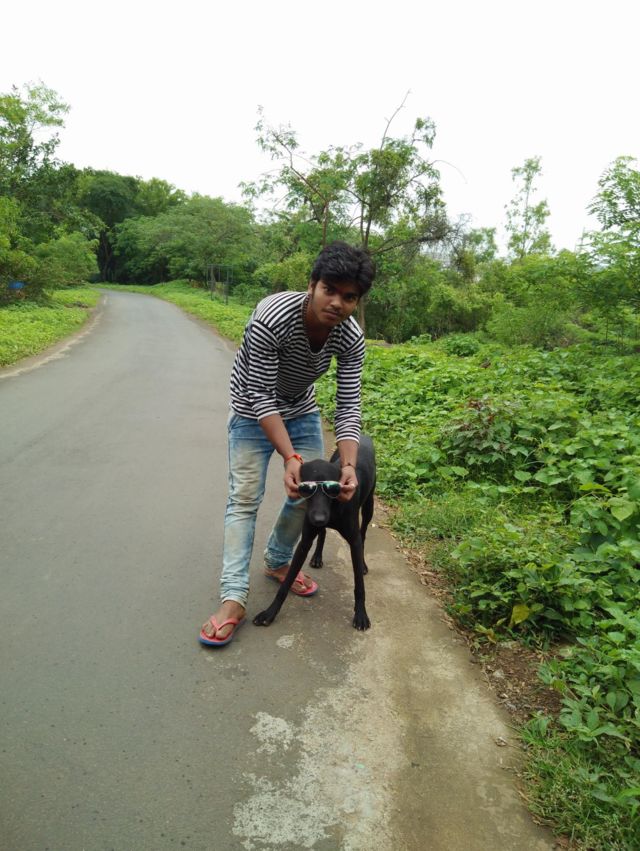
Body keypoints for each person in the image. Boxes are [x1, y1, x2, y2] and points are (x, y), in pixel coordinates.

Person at [199, 241, 375, 646]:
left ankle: (278, 561)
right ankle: (233, 599)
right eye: (329, 289)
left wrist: (348, 466)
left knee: (309, 493)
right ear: (312, 284)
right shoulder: (272, 315)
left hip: (300, 407)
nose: (337, 303)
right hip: (250, 408)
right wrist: (290, 455)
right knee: (245, 500)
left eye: (349, 297)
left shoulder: (350, 336)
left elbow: (348, 405)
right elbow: (260, 394)